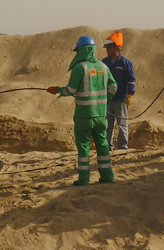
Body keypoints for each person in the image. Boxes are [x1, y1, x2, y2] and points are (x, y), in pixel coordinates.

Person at [48, 36, 117, 186]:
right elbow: (113, 87)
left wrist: (58, 90)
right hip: (101, 115)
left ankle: (84, 179)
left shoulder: (80, 68)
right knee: (103, 145)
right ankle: (107, 176)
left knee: (84, 147)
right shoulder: (103, 67)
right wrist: (106, 100)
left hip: (84, 116)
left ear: (82, 50)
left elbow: (71, 90)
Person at [102, 32, 136, 151]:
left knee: (122, 124)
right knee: (107, 125)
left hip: (121, 99)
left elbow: (131, 80)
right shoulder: (104, 62)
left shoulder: (125, 63)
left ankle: (122, 146)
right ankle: (107, 146)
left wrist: (130, 94)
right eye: (107, 48)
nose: (108, 50)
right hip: (107, 99)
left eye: (110, 48)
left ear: (117, 48)